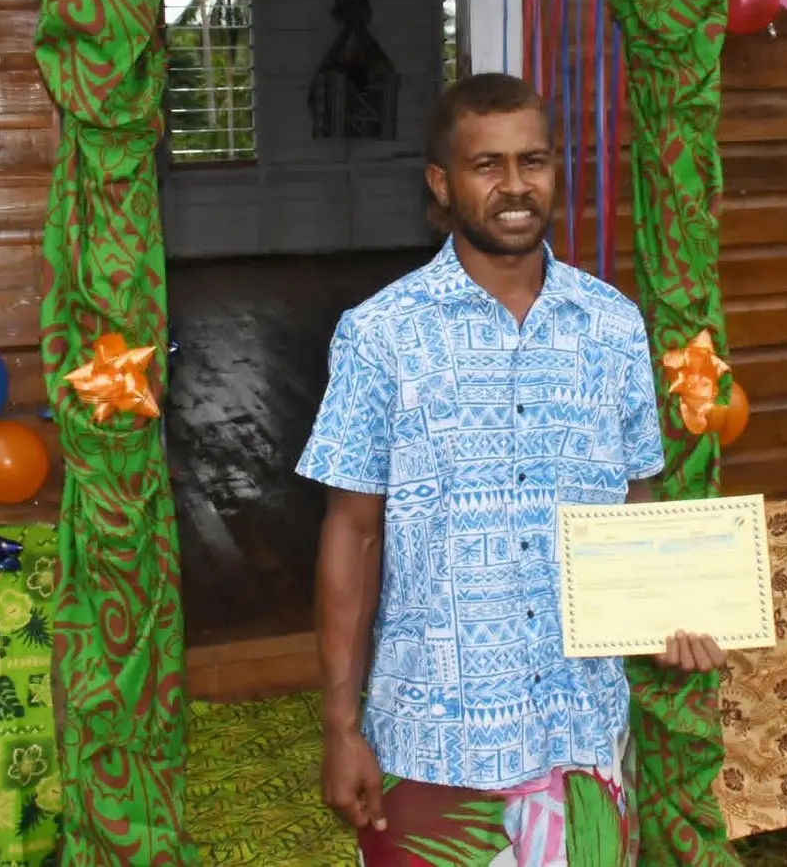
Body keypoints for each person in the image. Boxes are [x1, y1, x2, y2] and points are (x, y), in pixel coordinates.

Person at [296, 72, 724, 866]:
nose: (516, 186)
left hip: (583, 726)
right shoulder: (381, 335)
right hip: (432, 738)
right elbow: (351, 534)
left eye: (534, 160)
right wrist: (340, 725)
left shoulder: (613, 326)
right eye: (487, 165)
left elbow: (639, 496)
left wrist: (670, 607)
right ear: (442, 183)